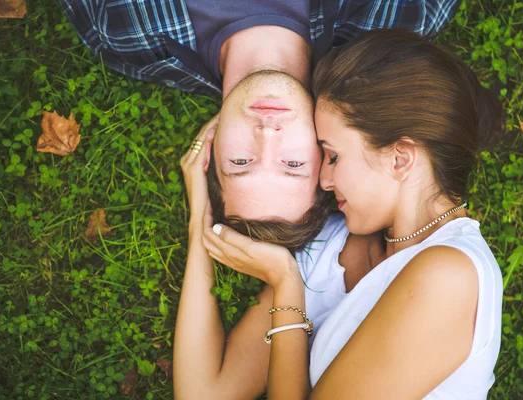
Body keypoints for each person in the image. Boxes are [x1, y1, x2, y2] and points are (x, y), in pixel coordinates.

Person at [201, 29, 503, 399]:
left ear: (400, 158)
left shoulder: (447, 277)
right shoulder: (345, 246)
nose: (324, 180)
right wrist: (198, 211)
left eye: (333, 155)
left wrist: (287, 286)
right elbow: (205, 393)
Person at [59, 0, 462, 251]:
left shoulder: (123, 30)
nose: (267, 134)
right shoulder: (395, 19)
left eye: (239, 161)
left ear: (211, 143)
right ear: (326, 155)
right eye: (292, 165)